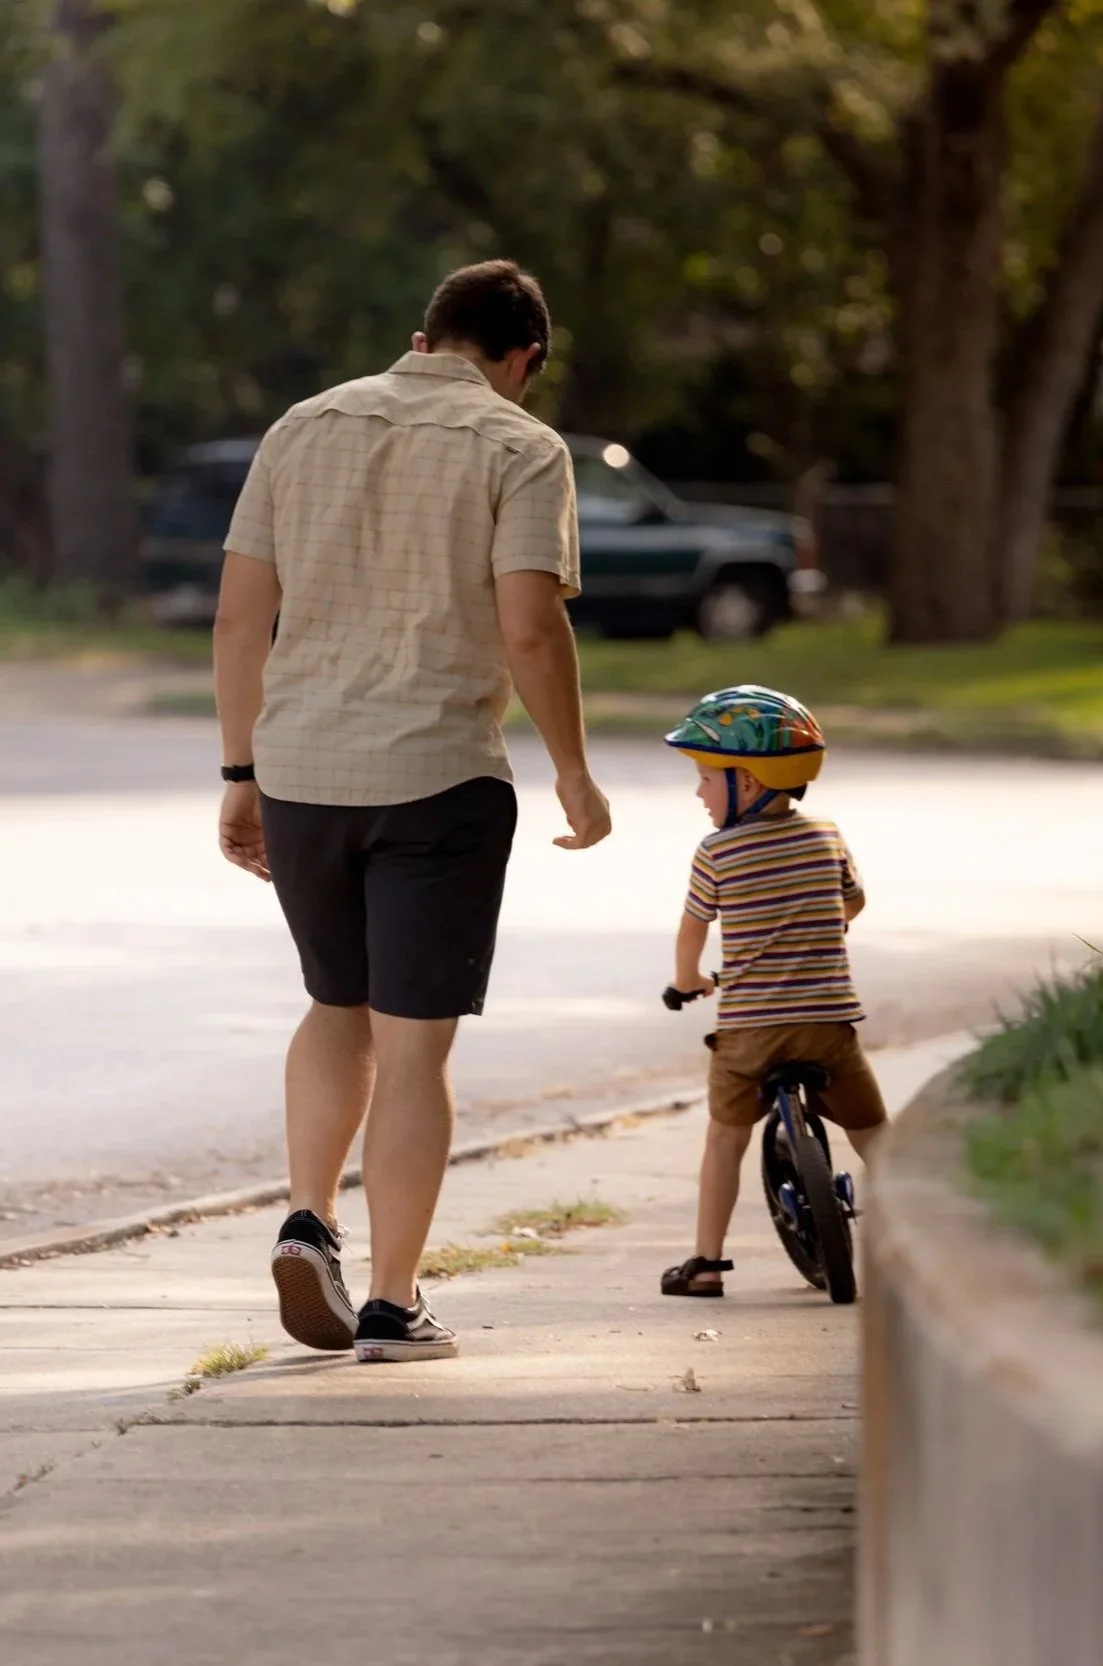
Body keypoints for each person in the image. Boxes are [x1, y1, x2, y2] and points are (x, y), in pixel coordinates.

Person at [212, 259, 612, 1361]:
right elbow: (529, 627)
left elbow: (243, 617)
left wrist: (240, 775)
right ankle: (391, 1301)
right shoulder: (520, 447)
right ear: (523, 356)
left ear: (423, 334)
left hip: (301, 772)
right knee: (414, 1044)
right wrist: (573, 769)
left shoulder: (304, 424)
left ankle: (307, 1215)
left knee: (334, 1004)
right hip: (438, 776)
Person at [657, 685, 887, 1297]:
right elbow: (852, 904)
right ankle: (929, 1236)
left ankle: (706, 1264)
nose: (698, 792)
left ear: (749, 784)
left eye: (707, 778)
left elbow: (691, 932)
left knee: (724, 1138)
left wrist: (687, 983)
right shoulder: (826, 837)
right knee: (872, 1134)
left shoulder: (716, 853)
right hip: (828, 1027)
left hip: (749, 1035)